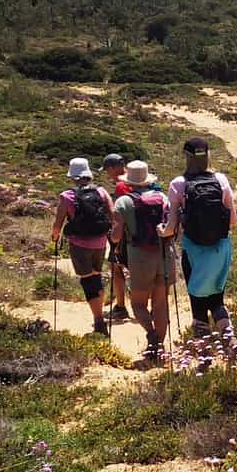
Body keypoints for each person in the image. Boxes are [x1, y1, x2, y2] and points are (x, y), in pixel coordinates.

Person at [166, 134, 235, 340]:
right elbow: (232, 220)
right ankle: (230, 340)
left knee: (197, 301)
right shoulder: (220, 179)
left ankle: (204, 352)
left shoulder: (179, 184)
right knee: (217, 299)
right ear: (208, 155)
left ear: (186, 156)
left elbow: (171, 227)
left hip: (194, 249)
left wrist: (163, 232)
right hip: (220, 248)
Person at [112, 159, 174, 365]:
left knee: (138, 303)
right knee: (161, 302)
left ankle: (151, 336)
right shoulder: (163, 198)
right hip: (164, 254)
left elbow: (116, 236)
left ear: (128, 182)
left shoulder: (122, 202)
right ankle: (160, 345)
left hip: (139, 256)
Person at [48, 156, 114, 336]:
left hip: (79, 244)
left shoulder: (67, 196)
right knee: (96, 277)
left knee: (88, 281)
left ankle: (99, 320)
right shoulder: (101, 192)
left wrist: (55, 236)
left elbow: (58, 222)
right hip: (100, 243)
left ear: (73, 176)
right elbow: (113, 214)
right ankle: (99, 316)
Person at [101, 152, 132, 323]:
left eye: (107, 170)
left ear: (113, 168)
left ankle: (121, 307)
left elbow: (121, 213)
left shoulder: (121, 186)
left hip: (125, 235)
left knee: (116, 267)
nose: (107, 173)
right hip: (142, 233)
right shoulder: (137, 180)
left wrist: (116, 236)